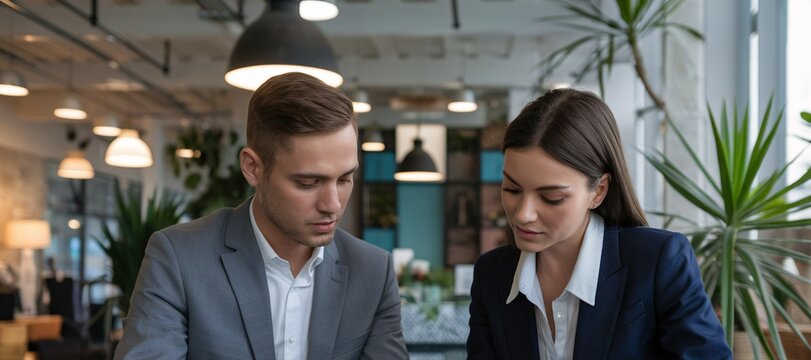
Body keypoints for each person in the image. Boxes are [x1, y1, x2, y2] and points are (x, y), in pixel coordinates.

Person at [115, 73, 408, 359]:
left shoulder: (372, 272)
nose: (332, 204)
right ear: (253, 168)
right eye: (308, 183)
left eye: (344, 179)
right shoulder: (179, 259)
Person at [467, 88, 731, 359]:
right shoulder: (492, 276)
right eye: (511, 189)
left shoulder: (658, 262)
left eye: (551, 197)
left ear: (599, 191)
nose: (523, 214)